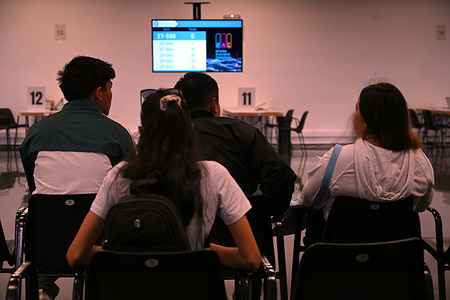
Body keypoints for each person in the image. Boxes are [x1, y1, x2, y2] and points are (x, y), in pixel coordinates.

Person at [66, 89, 261, 272]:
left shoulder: (119, 176)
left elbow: (75, 255)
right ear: (190, 130)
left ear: (141, 132)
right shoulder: (215, 174)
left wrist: (119, 252)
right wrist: (202, 249)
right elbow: (251, 259)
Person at [20, 56, 135, 299]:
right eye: (110, 88)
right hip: (100, 246)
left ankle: (44, 288)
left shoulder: (35, 134)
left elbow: (35, 189)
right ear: (99, 93)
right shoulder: (117, 135)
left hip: (45, 247)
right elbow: (128, 192)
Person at [301, 82, 435, 245]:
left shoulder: (338, 159)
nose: (354, 114)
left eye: (357, 109)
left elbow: (309, 199)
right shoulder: (420, 162)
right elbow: (421, 206)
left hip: (338, 260)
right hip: (398, 262)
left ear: (366, 120)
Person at [174, 72, 296, 218]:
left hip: (181, 234)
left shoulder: (165, 136)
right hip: (240, 232)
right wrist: (262, 215)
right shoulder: (244, 132)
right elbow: (282, 177)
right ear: (214, 104)